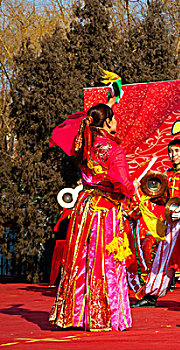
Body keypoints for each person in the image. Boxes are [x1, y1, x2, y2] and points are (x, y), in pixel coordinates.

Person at [49, 101, 135, 331]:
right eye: (113, 118)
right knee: (105, 262)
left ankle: (74, 315)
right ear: (107, 122)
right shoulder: (113, 150)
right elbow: (123, 184)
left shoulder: (85, 147)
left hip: (84, 207)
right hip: (104, 211)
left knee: (81, 260)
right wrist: (131, 191)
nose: (117, 122)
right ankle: (104, 316)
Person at [131, 139, 180, 309]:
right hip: (171, 223)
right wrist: (148, 191)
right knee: (161, 258)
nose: (173, 155)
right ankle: (151, 294)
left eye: (177, 151)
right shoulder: (168, 174)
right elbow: (164, 199)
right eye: (170, 151)